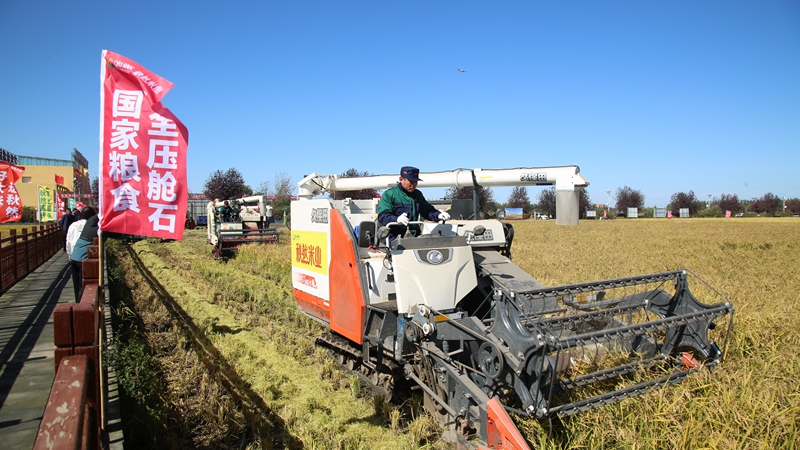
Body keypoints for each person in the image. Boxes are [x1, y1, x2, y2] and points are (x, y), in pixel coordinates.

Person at [377, 166, 450, 240]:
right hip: (394, 237)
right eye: (411, 181)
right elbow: (382, 216)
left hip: (415, 236)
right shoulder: (389, 194)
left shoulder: (418, 194)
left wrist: (438, 215)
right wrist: (397, 219)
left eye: (415, 181)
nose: (413, 184)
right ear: (401, 179)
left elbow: (427, 210)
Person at [67, 207, 98, 303]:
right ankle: (84, 304)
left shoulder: (73, 225)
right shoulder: (92, 225)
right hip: (86, 256)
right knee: (85, 284)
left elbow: (68, 240)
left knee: (76, 284)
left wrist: (69, 253)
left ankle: (78, 302)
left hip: (74, 254)